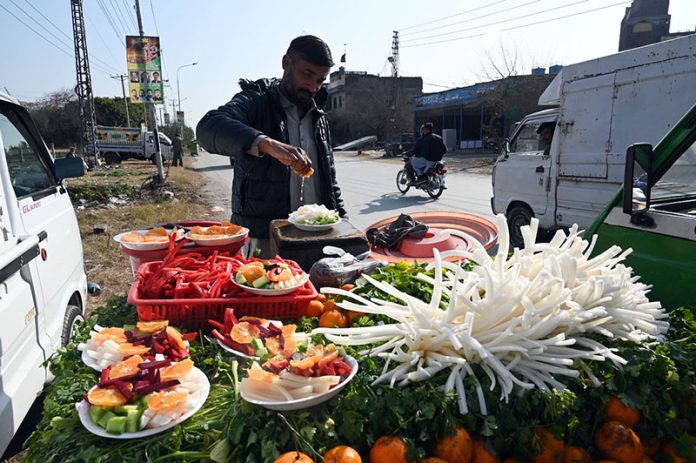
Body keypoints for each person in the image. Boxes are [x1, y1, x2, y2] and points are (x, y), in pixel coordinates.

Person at [196, 35, 346, 258]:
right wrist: (266, 144)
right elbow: (207, 128)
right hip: (264, 239)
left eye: (320, 80)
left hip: (315, 240)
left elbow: (330, 183)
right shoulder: (257, 101)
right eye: (307, 74)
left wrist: (345, 226)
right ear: (286, 63)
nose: (313, 86)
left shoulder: (319, 116)